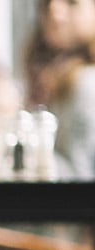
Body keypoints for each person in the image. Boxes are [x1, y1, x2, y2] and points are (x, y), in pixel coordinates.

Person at [24, 0, 95, 179]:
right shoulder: (47, 74)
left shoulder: (87, 83)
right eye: (47, 2)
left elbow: (80, 175)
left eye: (72, 2)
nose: (54, 10)